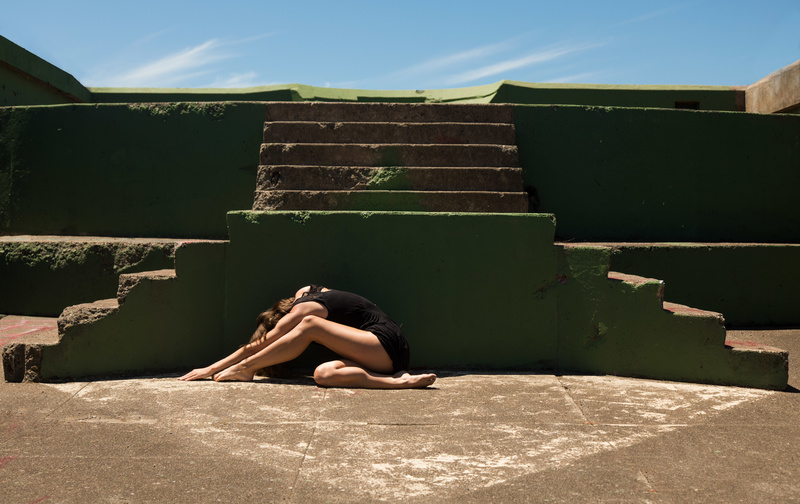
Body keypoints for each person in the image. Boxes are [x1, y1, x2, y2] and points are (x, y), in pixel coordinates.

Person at [178, 285, 436, 389]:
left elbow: (262, 343)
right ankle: (396, 381)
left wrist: (218, 367)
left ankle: (246, 370)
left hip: (385, 342)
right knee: (323, 375)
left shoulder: (306, 306)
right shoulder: (310, 291)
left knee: (311, 325)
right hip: (378, 359)